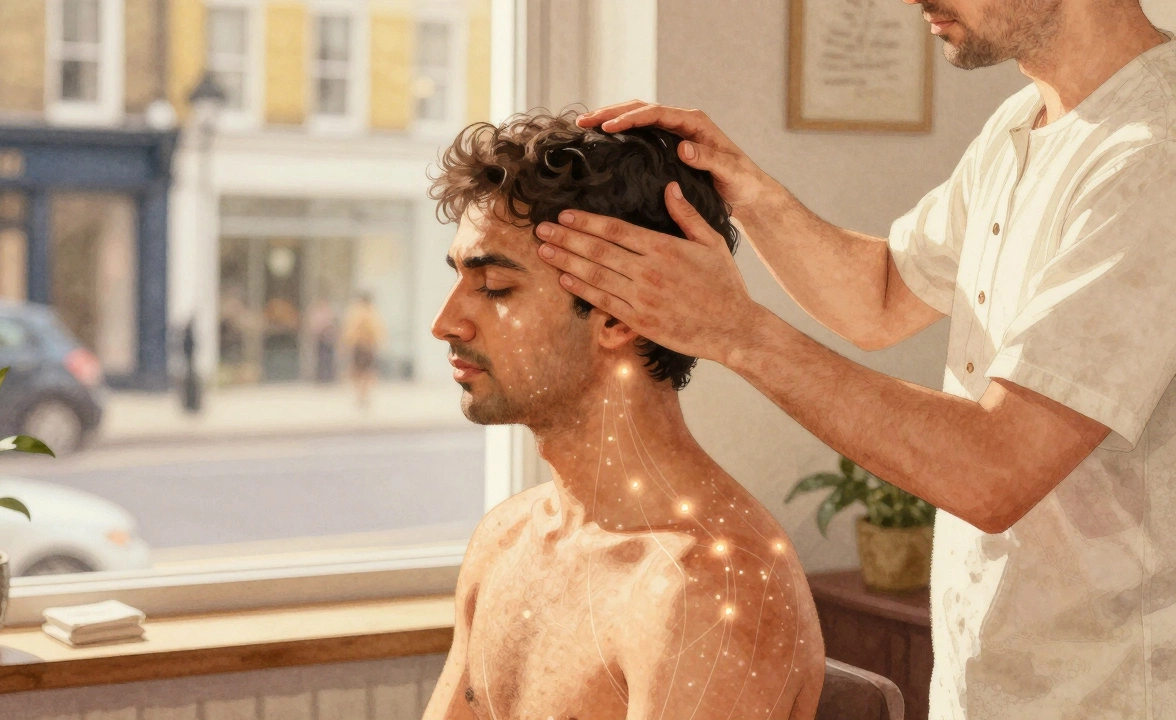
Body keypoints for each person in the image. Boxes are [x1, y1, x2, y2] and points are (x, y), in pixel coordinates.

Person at [532, 2, 1176, 717]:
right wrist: (748, 192)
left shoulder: (1155, 156)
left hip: (1119, 692)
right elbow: (882, 296)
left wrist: (736, 330)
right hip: (993, 683)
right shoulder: (1022, 124)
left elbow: (998, 470)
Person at [422, 113, 826, 720]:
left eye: (496, 287)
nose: (445, 323)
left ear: (619, 314)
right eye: (458, 278)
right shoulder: (504, 539)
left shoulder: (707, 588)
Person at [340, 291, 385, 408]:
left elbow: (350, 331)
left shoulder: (356, 312)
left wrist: (346, 344)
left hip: (359, 345)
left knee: (359, 371)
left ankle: (361, 393)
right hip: (367, 346)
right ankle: (363, 393)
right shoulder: (372, 313)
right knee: (366, 371)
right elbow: (378, 331)